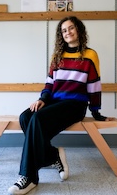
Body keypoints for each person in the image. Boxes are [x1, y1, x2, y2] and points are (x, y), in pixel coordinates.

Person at [8, 16, 107, 195]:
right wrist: (42, 99)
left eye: (71, 28)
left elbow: (94, 84)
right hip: (55, 101)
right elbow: (50, 83)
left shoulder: (90, 55)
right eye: (64, 30)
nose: (67, 32)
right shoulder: (57, 56)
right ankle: (52, 156)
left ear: (78, 30)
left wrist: (95, 110)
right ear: (61, 35)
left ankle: (28, 177)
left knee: (37, 119)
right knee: (26, 116)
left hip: (75, 103)